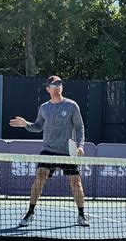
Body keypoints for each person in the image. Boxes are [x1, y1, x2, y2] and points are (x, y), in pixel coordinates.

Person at [9, 75, 89, 227]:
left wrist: (81, 146)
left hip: (67, 151)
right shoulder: (44, 108)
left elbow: (79, 127)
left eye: (59, 84)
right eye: (54, 84)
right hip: (48, 150)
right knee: (40, 176)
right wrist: (26, 124)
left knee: (76, 182)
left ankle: (81, 215)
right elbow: (38, 126)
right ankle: (30, 213)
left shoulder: (71, 106)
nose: (57, 86)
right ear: (48, 89)